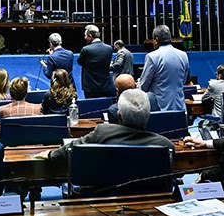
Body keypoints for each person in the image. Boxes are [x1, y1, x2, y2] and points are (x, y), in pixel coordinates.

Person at [46, 89, 174, 165]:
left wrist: (50, 154)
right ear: (149, 115)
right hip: (151, 199)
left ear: (119, 115)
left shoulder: (103, 132)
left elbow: (72, 149)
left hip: (106, 198)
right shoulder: (165, 145)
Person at [140, 25, 189, 112]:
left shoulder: (152, 56)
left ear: (156, 40)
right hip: (180, 108)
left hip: (160, 109)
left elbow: (144, 86)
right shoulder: (183, 55)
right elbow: (184, 80)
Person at [77, 24, 116, 98]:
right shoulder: (109, 48)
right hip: (105, 85)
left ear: (90, 36)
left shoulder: (86, 49)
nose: (85, 37)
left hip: (90, 86)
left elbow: (80, 62)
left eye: (86, 35)